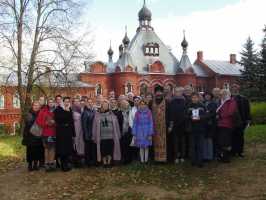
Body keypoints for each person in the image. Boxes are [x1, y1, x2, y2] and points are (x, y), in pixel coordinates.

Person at [92, 100, 121, 167]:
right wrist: (94, 136)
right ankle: (104, 163)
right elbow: (94, 126)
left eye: (106, 105)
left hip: (111, 136)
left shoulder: (112, 114)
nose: (105, 106)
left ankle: (109, 162)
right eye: (104, 105)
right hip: (102, 136)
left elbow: (116, 125)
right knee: (103, 150)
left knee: (110, 149)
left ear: (108, 106)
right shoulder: (97, 115)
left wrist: (118, 134)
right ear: (101, 106)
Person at [54, 97, 76, 172]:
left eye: (68, 101)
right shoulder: (58, 109)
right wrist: (66, 111)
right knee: (62, 149)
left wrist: (73, 133)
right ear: (63, 102)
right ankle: (63, 165)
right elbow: (59, 119)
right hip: (61, 131)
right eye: (65, 101)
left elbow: (71, 121)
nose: (67, 103)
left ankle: (67, 163)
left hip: (68, 131)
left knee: (68, 148)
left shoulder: (70, 109)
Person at [216, 89, 237, 163]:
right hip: (220, 124)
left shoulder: (231, 101)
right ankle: (222, 156)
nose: (223, 95)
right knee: (221, 141)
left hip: (227, 124)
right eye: (222, 94)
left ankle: (226, 157)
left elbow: (230, 112)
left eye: (225, 94)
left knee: (227, 141)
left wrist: (220, 115)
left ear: (228, 94)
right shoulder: (220, 101)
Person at [22, 101, 44, 171]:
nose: (36, 107)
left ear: (39, 107)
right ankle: (30, 164)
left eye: (37, 105)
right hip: (30, 136)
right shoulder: (29, 114)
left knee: (37, 150)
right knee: (30, 151)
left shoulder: (41, 114)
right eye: (35, 105)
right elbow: (27, 125)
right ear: (32, 106)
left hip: (38, 136)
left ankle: (35, 164)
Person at [231, 84, 251, 157]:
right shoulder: (229, 98)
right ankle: (233, 151)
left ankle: (240, 151)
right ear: (231, 89)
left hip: (241, 121)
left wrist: (248, 119)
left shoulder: (243, 99)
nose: (234, 89)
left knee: (240, 137)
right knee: (232, 137)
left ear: (238, 89)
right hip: (231, 121)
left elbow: (247, 110)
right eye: (233, 88)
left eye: (236, 88)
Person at [36, 98, 56, 172]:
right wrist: (46, 123)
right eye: (49, 102)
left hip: (54, 132)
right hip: (45, 133)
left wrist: (55, 122)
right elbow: (38, 122)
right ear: (47, 103)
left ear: (54, 103)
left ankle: (51, 163)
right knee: (47, 149)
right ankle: (46, 163)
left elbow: (60, 121)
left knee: (53, 148)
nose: (51, 103)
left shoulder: (56, 111)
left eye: (52, 102)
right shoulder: (43, 111)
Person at [187, 92, 207, 168]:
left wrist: (200, 117)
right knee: (192, 146)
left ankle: (200, 161)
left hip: (200, 128)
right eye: (193, 97)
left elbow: (206, 115)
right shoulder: (188, 106)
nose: (194, 99)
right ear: (191, 98)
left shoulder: (202, 106)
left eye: (196, 97)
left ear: (198, 98)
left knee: (200, 145)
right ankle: (193, 160)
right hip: (191, 129)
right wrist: (190, 117)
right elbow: (185, 116)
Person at [168, 87, 187, 164]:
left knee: (182, 142)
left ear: (182, 92)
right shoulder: (172, 101)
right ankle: (176, 156)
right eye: (176, 91)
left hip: (183, 124)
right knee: (175, 142)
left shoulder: (185, 101)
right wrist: (171, 125)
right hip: (175, 124)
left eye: (179, 91)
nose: (178, 93)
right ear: (174, 93)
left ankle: (182, 156)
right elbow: (171, 114)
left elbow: (186, 112)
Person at [152, 86, 168, 163]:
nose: (158, 93)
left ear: (162, 93)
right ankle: (156, 159)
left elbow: (170, 114)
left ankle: (163, 159)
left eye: (160, 92)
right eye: (157, 92)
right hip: (154, 126)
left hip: (164, 126)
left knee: (164, 141)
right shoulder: (151, 102)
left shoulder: (167, 102)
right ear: (155, 93)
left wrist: (170, 125)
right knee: (155, 141)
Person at [81, 98, 97, 167]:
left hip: (93, 133)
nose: (90, 103)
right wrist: (86, 134)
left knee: (93, 148)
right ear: (86, 103)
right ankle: (88, 162)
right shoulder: (85, 112)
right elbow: (84, 125)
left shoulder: (94, 111)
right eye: (88, 102)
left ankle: (93, 161)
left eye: (91, 102)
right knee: (87, 149)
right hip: (88, 134)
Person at [203, 92, 217, 161]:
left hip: (211, 124)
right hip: (204, 125)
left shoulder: (213, 103)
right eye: (206, 96)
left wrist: (206, 115)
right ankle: (205, 156)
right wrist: (207, 113)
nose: (207, 97)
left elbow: (213, 113)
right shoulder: (203, 103)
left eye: (208, 96)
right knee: (204, 140)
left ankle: (210, 156)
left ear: (211, 96)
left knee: (210, 140)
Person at [72, 97, 85, 167]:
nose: (76, 102)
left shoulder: (82, 109)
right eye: (75, 101)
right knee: (75, 145)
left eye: (78, 101)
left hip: (81, 130)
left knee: (81, 145)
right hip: (75, 130)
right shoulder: (71, 110)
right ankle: (75, 162)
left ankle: (81, 161)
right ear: (73, 102)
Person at [120, 100, 132, 164]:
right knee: (123, 146)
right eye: (123, 104)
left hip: (129, 131)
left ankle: (129, 159)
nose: (124, 105)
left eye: (126, 104)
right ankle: (124, 159)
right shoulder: (120, 112)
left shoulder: (130, 111)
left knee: (129, 146)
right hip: (122, 131)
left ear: (128, 105)